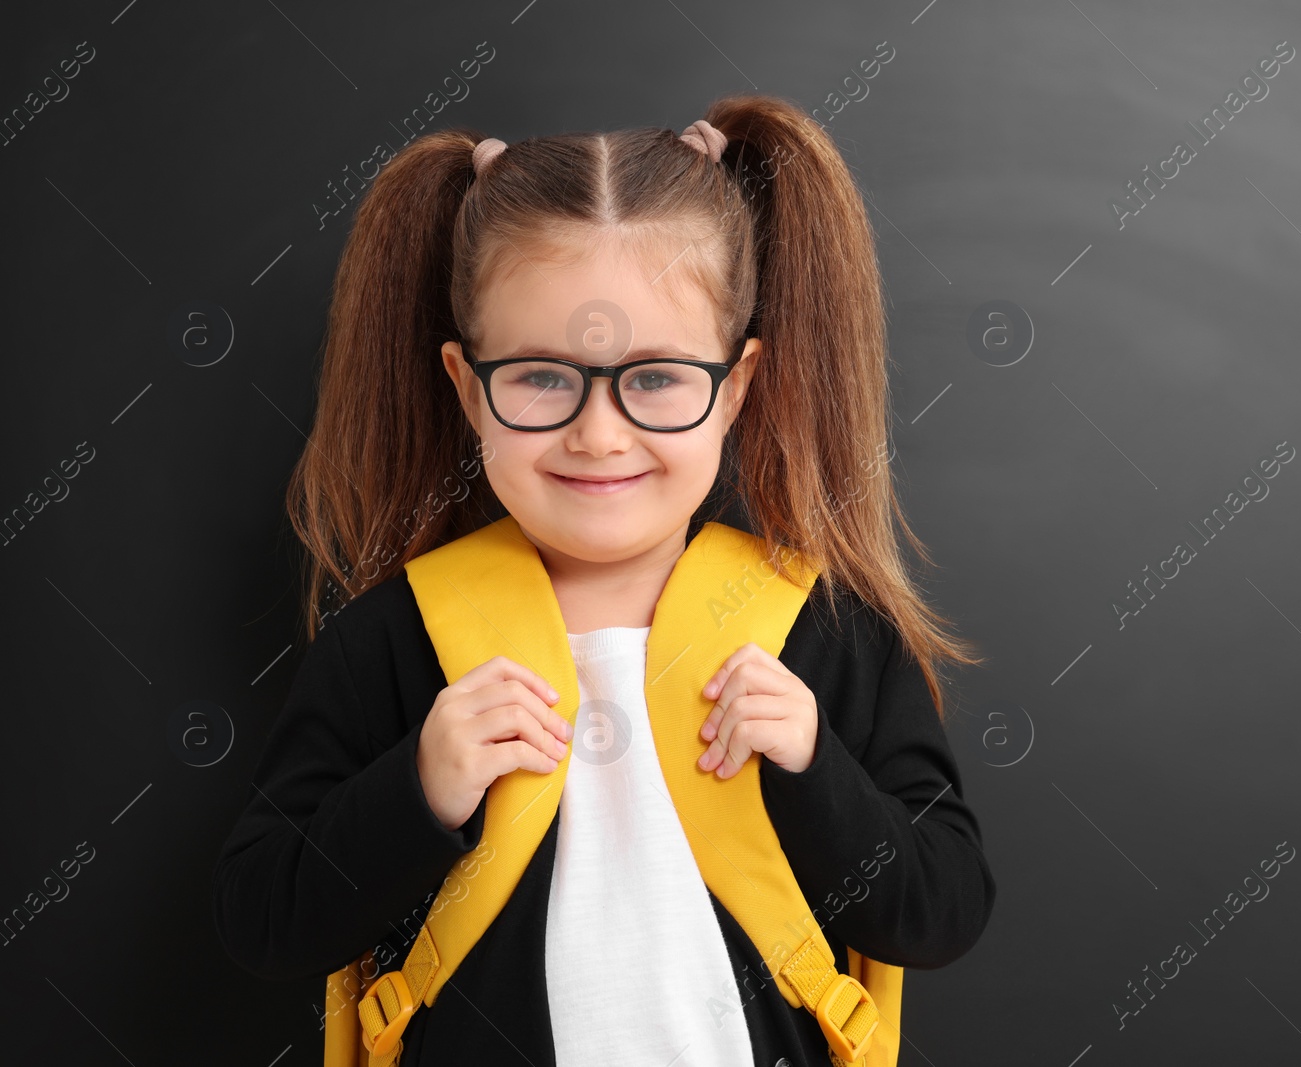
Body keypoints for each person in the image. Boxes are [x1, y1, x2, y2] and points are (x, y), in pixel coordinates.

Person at [212, 94, 997, 1066]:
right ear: (468, 387)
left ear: (736, 387)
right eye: (541, 376)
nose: (598, 432)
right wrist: (418, 785)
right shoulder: (395, 638)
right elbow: (264, 918)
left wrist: (812, 764)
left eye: (658, 376)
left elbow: (943, 909)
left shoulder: (825, 634)